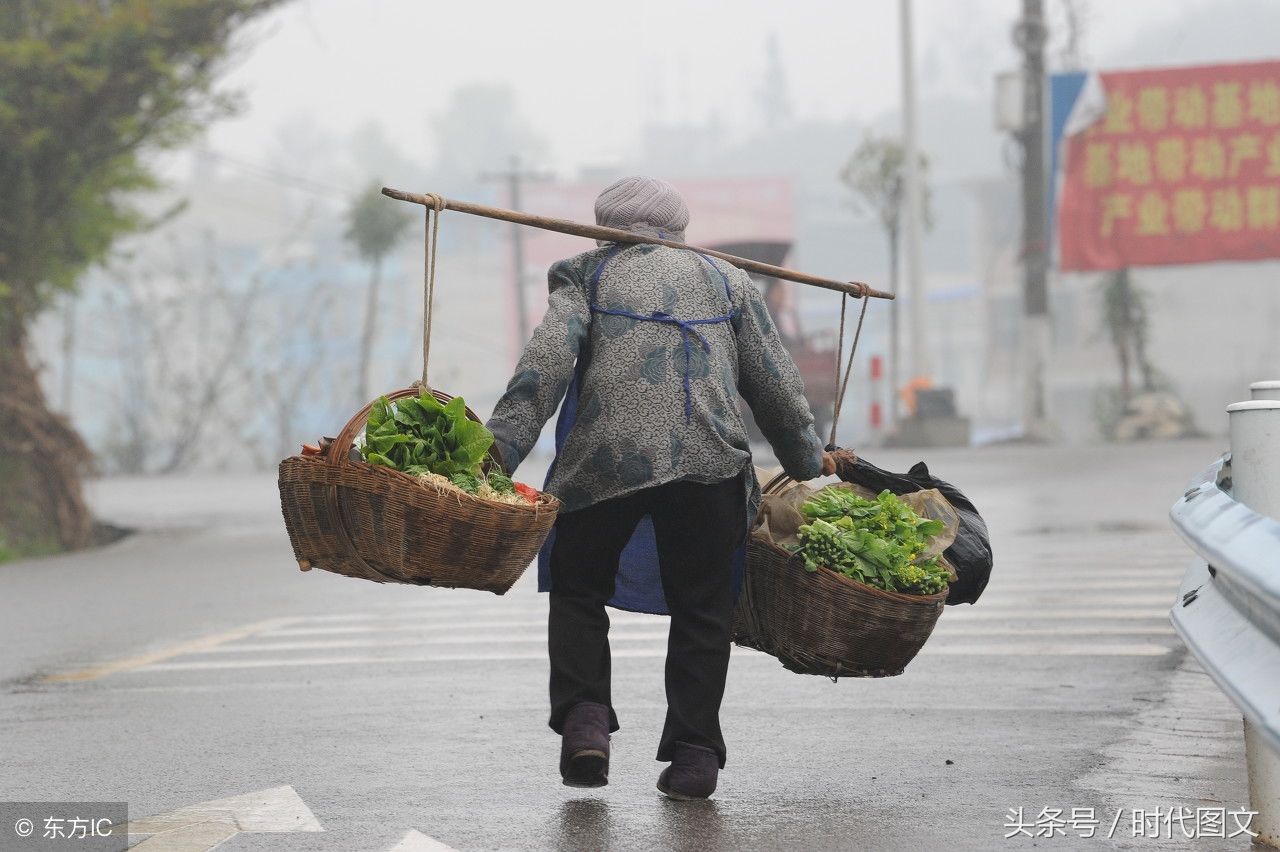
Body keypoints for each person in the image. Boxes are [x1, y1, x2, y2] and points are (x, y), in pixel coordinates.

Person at [486, 175, 834, 800]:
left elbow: (544, 366)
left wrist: (498, 454)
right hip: (710, 468)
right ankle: (695, 755)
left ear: (602, 226)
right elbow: (775, 384)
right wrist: (808, 461)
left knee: (576, 588)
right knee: (705, 607)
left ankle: (586, 719)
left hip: (603, 465)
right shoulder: (729, 280)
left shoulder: (585, 275)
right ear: (678, 230)